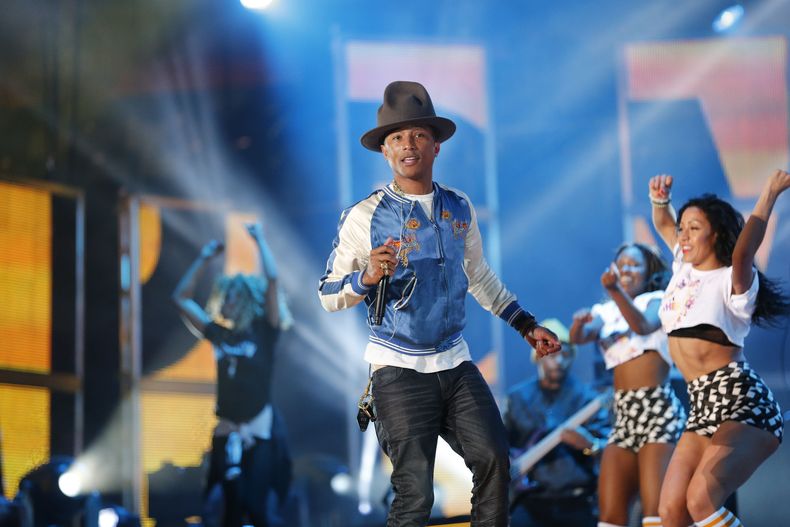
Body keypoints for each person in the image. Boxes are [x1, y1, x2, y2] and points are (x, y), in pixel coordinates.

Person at [318, 80, 561, 527]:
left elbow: (479, 276)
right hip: (397, 369)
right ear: (385, 152)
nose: (408, 145)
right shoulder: (364, 216)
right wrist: (367, 276)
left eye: (418, 135)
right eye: (397, 138)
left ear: (435, 146)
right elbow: (327, 294)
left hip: (454, 361)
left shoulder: (458, 206)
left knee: (494, 460)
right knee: (415, 494)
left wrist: (526, 324)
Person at [649, 171, 790, 527]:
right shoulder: (683, 266)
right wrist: (660, 200)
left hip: (742, 402)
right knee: (670, 512)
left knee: (701, 500)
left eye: (694, 228)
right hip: (701, 405)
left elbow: (745, 250)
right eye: (682, 228)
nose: (682, 235)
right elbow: (663, 222)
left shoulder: (733, 279)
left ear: (716, 234)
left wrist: (770, 192)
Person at [172, 222, 293, 527]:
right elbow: (181, 299)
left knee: (256, 505)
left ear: (245, 299)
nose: (225, 302)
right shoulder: (218, 334)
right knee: (225, 506)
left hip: (259, 430)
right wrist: (203, 258)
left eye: (231, 296)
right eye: (224, 297)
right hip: (227, 428)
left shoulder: (265, 331)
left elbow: (273, 279)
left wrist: (260, 240)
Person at [570, 243, 685, 527]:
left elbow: (643, 327)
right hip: (624, 415)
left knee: (654, 514)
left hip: (657, 410)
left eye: (633, 265)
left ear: (649, 273)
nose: (625, 271)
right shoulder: (606, 310)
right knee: (609, 516)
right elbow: (580, 338)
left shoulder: (658, 299)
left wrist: (615, 291)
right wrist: (576, 324)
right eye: (620, 266)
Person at [504, 319, 610, 527]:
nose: (559, 361)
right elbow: (501, 445)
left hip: (576, 502)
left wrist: (590, 445)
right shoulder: (517, 398)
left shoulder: (587, 399)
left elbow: (610, 450)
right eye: (552, 354)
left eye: (565, 354)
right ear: (538, 356)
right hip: (527, 502)